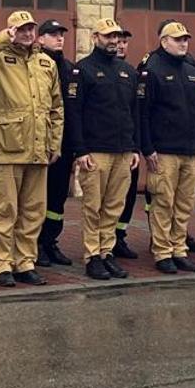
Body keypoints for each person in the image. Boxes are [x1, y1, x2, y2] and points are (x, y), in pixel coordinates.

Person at [0, 10, 64, 287]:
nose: (28, 34)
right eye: (21, 29)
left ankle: (25, 262)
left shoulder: (46, 63)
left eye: (31, 29)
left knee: (33, 211)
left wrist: (54, 143)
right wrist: (0, 40)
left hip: (38, 149)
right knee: (5, 210)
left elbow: (56, 107)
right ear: (11, 31)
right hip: (7, 148)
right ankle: (1, 264)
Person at [72, 19, 140, 280]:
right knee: (93, 207)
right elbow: (75, 114)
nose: (113, 41)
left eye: (117, 36)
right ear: (95, 37)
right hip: (95, 152)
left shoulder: (127, 71)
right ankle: (92, 256)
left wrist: (134, 147)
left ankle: (106, 252)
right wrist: (80, 151)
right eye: (108, 36)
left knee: (113, 206)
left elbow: (132, 112)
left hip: (123, 151)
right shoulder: (83, 71)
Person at [137, 22, 195, 273]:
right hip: (163, 151)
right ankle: (163, 252)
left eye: (185, 39)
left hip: (189, 149)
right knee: (163, 203)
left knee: (184, 204)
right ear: (164, 42)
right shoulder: (152, 69)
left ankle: (179, 248)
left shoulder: (192, 71)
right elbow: (143, 113)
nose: (183, 43)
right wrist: (148, 148)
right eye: (177, 40)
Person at [35, 20, 81, 268]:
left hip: (62, 146)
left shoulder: (69, 69)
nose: (59, 38)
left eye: (61, 34)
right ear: (40, 39)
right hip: (39, 144)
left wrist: (75, 147)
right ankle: (35, 245)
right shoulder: (34, 64)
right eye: (53, 34)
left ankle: (51, 241)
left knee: (57, 199)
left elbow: (73, 111)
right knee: (36, 199)